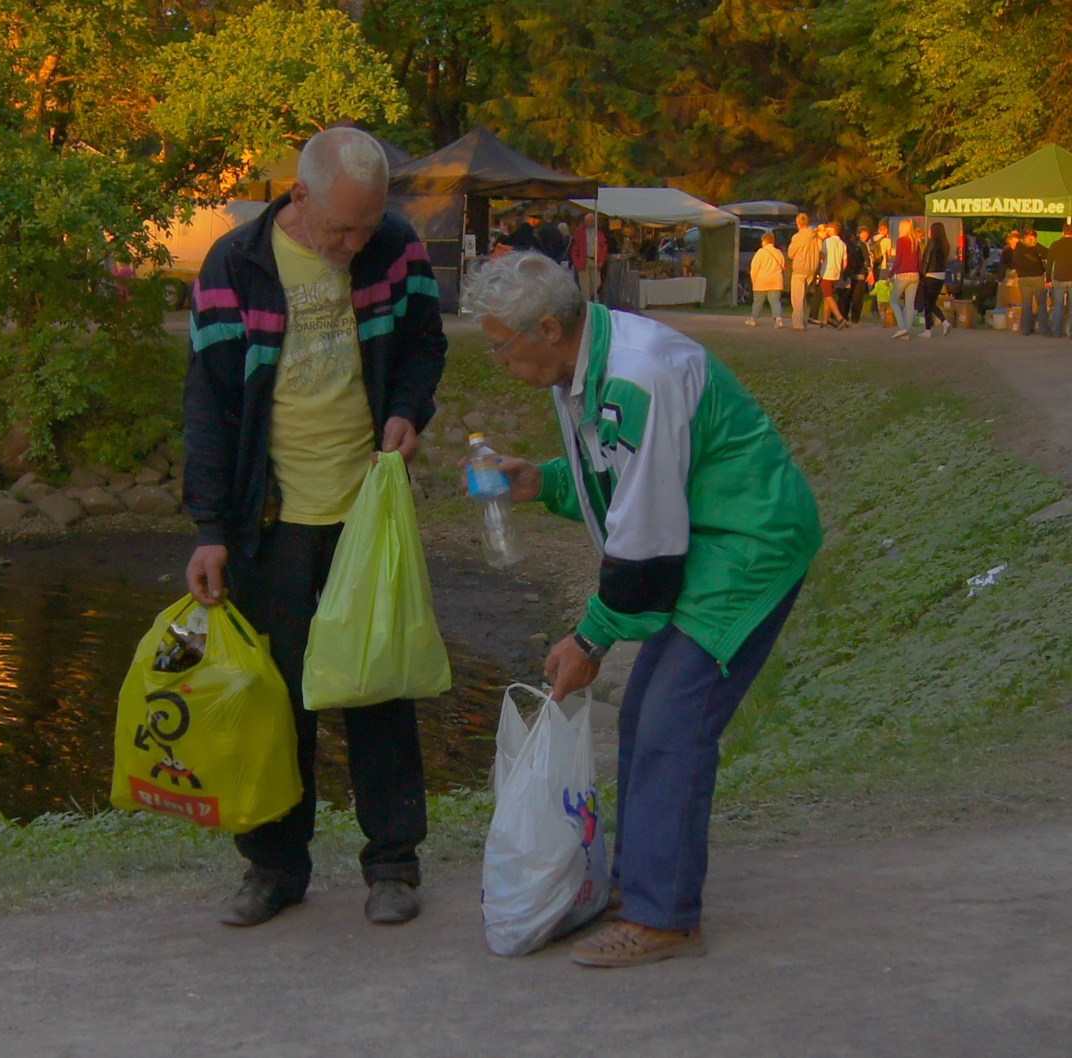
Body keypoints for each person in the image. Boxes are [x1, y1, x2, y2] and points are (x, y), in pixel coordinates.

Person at [460, 251, 822, 967]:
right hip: (703, 534)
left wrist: (589, 639)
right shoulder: (586, 365)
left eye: (502, 345)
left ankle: (664, 914)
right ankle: (642, 884)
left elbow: (647, 528)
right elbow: (617, 477)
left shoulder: (637, 372)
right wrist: (544, 482)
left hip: (746, 544)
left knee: (672, 721)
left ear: (550, 328)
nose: (497, 359)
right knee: (644, 713)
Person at [182, 127, 448, 929]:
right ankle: (274, 866)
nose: (354, 244)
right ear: (298, 196)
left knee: (379, 690)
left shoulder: (395, 250)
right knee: (277, 702)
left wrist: (406, 411)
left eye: (368, 227)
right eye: (342, 229)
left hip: (368, 511)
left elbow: (423, 346)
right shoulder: (236, 265)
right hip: (274, 520)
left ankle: (392, 864)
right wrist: (210, 527)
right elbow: (211, 401)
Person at [1013, 228, 1051, 336]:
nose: (1033, 240)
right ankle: (1044, 329)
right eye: (1032, 237)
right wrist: (1036, 245)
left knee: (1026, 304)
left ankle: (1025, 329)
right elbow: (1048, 253)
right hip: (1036, 277)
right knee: (1041, 303)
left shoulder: (1018, 247)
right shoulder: (1036, 247)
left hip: (1023, 278)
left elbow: (1014, 261)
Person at [889, 218, 921, 339]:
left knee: (893, 301)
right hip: (915, 274)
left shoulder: (901, 241)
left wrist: (890, 275)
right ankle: (906, 330)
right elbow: (919, 261)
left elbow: (898, 261)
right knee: (910, 304)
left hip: (903, 274)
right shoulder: (915, 242)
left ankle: (902, 327)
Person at [746, 231, 786, 327]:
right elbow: (783, 265)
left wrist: (753, 279)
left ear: (764, 241)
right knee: (775, 301)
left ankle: (753, 319)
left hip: (762, 280)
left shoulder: (760, 252)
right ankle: (778, 319)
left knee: (758, 301)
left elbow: (754, 267)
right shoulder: (778, 252)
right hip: (776, 280)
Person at [787, 212, 819, 331]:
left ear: (798, 223)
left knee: (797, 297)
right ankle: (803, 320)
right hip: (811, 268)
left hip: (800, 267)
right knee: (803, 296)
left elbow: (790, 253)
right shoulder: (814, 235)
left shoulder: (797, 237)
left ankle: (798, 323)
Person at [918, 222, 951, 338]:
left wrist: (922, 274)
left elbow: (926, 259)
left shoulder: (932, 243)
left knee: (928, 303)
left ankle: (928, 330)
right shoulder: (945, 245)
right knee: (931, 303)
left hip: (930, 275)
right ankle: (944, 322)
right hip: (940, 275)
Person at [818, 222, 850, 329]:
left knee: (828, 296)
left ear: (832, 230)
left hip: (827, 272)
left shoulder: (827, 242)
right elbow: (845, 262)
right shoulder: (842, 244)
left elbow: (821, 256)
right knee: (827, 296)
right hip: (836, 273)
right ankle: (825, 320)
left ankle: (840, 318)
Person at [571, 213, 608, 302]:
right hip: (584, 260)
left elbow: (604, 247)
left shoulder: (598, 233)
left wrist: (601, 261)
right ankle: (586, 303)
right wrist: (577, 262)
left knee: (596, 283)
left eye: (590, 221)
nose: (588, 223)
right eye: (587, 221)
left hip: (595, 260)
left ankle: (589, 298)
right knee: (584, 285)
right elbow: (575, 248)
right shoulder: (580, 232)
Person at [1046, 222, 1072, 338]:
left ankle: (1057, 330)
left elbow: (1049, 263)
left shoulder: (1055, 244)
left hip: (1059, 278)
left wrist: (1048, 279)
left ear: (1063, 232)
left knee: (1058, 306)